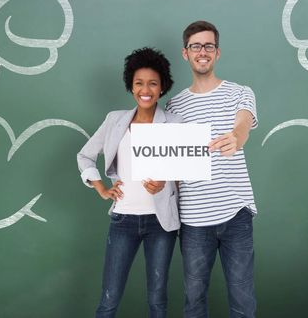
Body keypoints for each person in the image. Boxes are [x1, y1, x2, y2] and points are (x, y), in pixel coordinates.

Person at [77, 47, 182, 318]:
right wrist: (99, 186)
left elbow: (185, 169)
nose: (145, 89)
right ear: (130, 86)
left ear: (162, 88)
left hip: (161, 222)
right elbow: (86, 156)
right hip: (123, 219)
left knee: (158, 299)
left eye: (152, 83)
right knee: (109, 297)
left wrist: (166, 181)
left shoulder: (175, 123)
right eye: (139, 83)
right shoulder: (115, 121)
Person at [165, 21, 258, 318]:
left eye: (208, 46)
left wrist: (236, 137)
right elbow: (173, 165)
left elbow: (243, 124)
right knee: (193, 302)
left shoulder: (240, 92)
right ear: (185, 53)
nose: (202, 51)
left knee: (243, 302)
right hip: (193, 221)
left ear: (217, 53)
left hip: (236, 215)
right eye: (196, 46)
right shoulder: (173, 107)